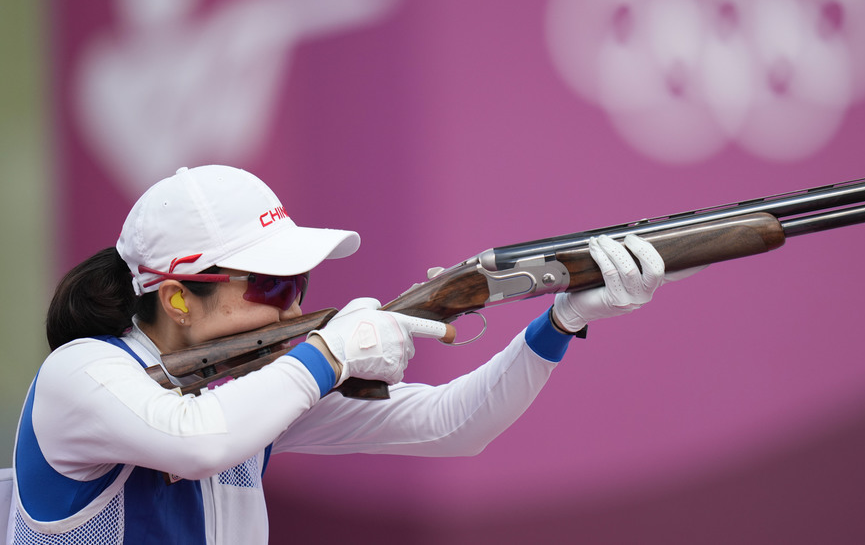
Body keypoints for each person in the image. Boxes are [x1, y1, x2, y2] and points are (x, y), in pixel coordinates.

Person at [7, 165, 696, 544]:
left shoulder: (247, 393)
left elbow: (455, 424)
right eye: (272, 285)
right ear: (178, 298)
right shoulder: (80, 373)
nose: (292, 307)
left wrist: (562, 320)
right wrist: (330, 353)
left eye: (298, 284)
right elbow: (198, 442)